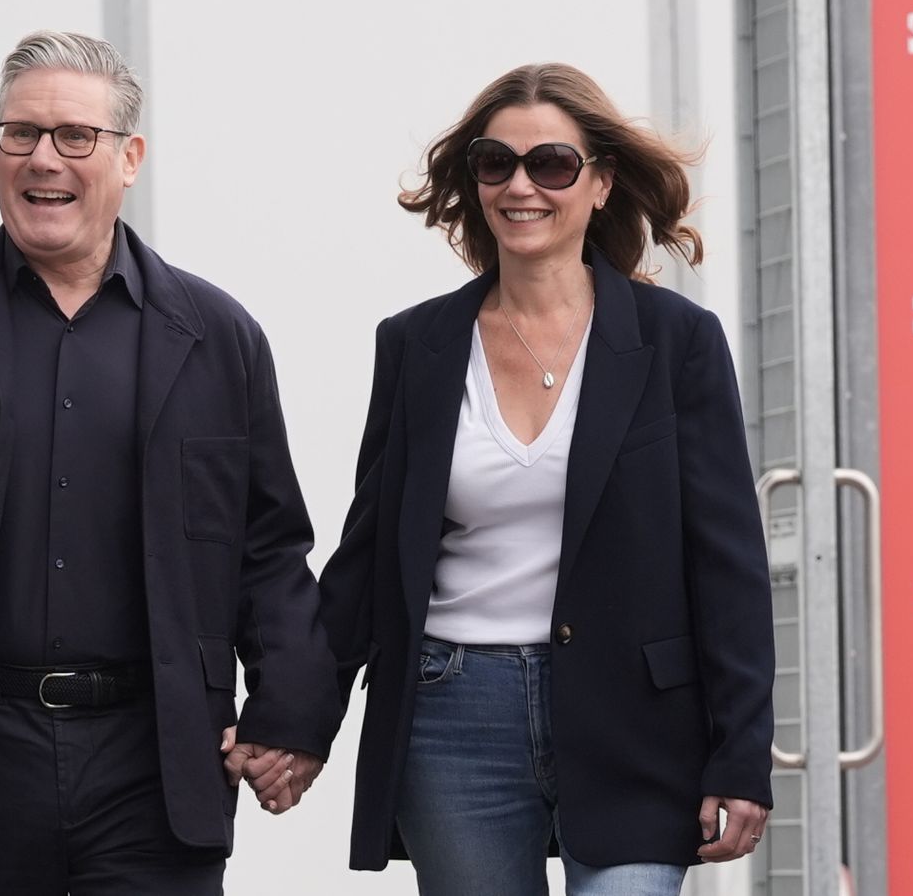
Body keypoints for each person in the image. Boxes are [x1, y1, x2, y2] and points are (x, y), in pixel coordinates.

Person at [0, 30, 338, 895]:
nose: (41, 158)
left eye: (73, 138)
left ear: (129, 158)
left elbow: (267, 548)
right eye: (19, 134)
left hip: (157, 761)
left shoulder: (218, 337)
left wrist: (290, 714)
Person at [315, 62, 775, 894]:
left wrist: (741, 753)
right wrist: (296, 724)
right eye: (496, 163)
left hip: (637, 720)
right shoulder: (415, 346)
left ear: (599, 184)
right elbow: (369, 555)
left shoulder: (678, 343)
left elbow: (728, 564)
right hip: (453, 714)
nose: (520, 186)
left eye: (551, 165)